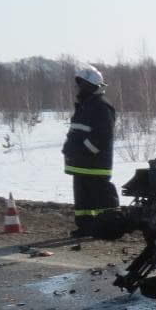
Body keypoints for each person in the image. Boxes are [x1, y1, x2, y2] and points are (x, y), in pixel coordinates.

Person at [62, 64, 124, 238]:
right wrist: (69, 149)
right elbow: (77, 132)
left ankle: (111, 227)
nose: (77, 88)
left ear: (88, 85)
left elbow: (103, 135)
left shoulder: (101, 106)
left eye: (79, 84)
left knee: (102, 195)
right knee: (83, 199)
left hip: (94, 164)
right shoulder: (85, 105)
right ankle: (86, 227)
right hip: (81, 164)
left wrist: (85, 151)